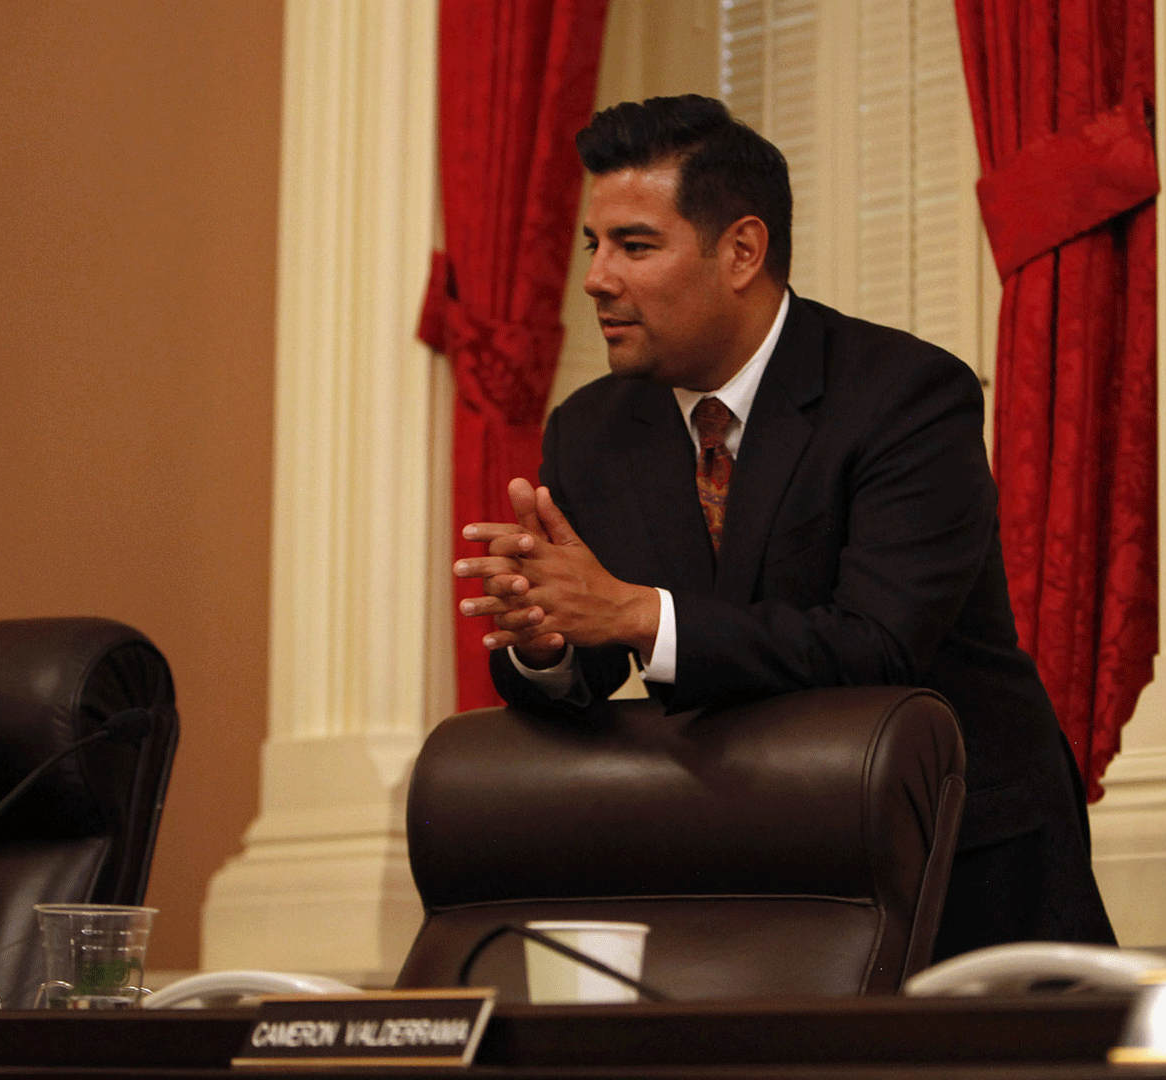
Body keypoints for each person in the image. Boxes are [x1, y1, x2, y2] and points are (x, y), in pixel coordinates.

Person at [453, 94, 1114, 956]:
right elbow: (597, 663)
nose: (595, 278)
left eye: (635, 246)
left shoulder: (906, 394)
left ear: (741, 251)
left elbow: (878, 646)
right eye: (594, 245)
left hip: (965, 868)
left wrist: (632, 612)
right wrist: (548, 645)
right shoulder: (589, 430)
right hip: (744, 866)